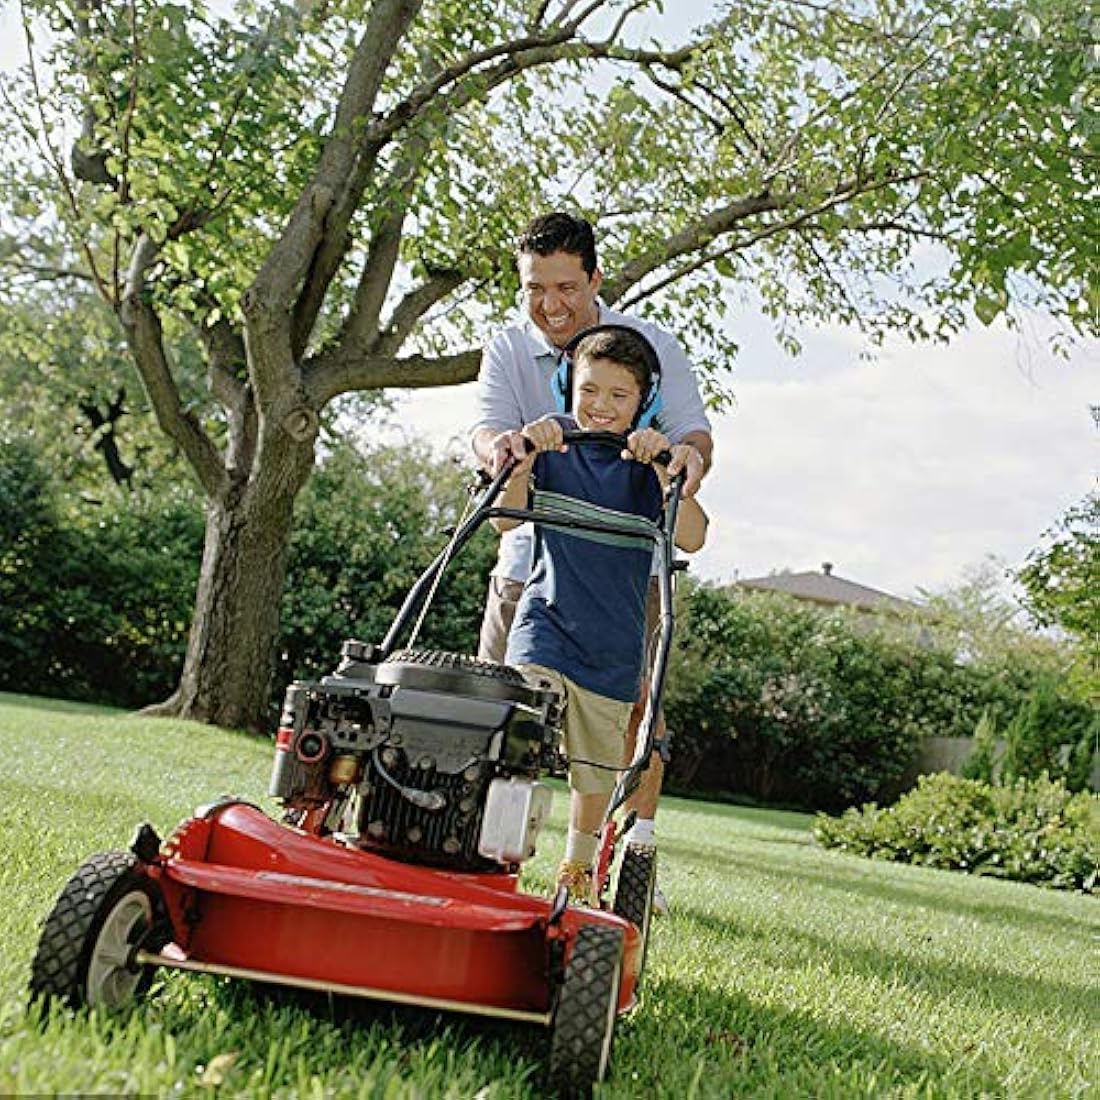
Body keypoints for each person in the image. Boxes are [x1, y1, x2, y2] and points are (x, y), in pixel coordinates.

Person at [472, 211, 713, 912]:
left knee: (605, 755)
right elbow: (504, 490)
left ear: (595, 280)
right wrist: (520, 446)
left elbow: (694, 502)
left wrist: (674, 461)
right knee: (511, 723)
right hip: (539, 592)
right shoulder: (516, 361)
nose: (550, 304)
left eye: (566, 287)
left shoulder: (649, 355)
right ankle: (495, 856)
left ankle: (595, 864)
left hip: (615, 606)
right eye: (535, 288)